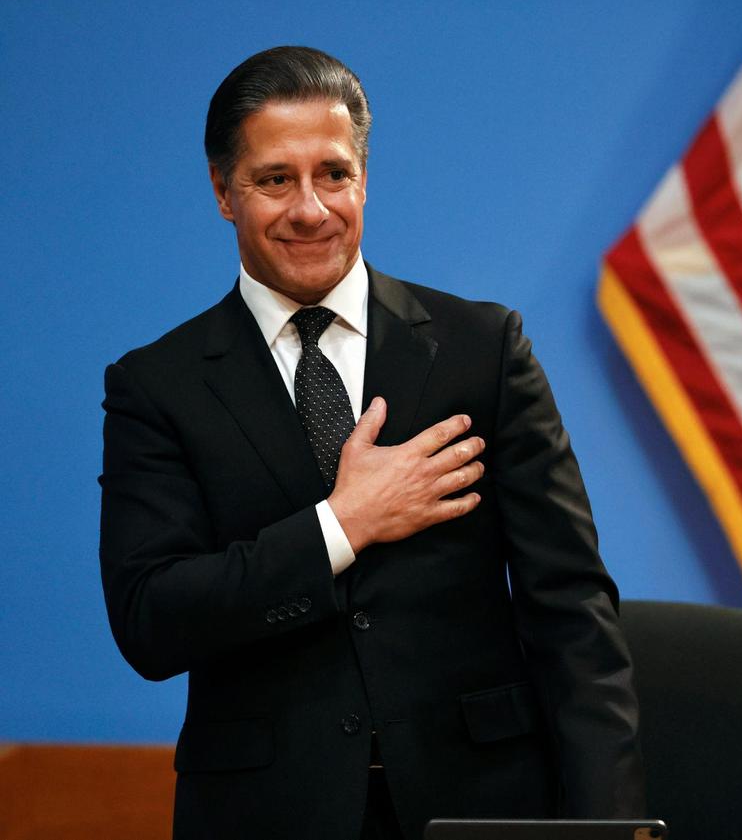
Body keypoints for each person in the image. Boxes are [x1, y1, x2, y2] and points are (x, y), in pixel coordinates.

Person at [98, 46, 644, 840]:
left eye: (334, 174)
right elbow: (151, 621)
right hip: (268, 813)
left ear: (365, 178)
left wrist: (610, 828)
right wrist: (341, 526)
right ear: (223, 191)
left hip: (479, 804)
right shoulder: (158, 385)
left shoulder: (480, 348)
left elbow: (573, 612)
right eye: (275, 178)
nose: (310, 208)